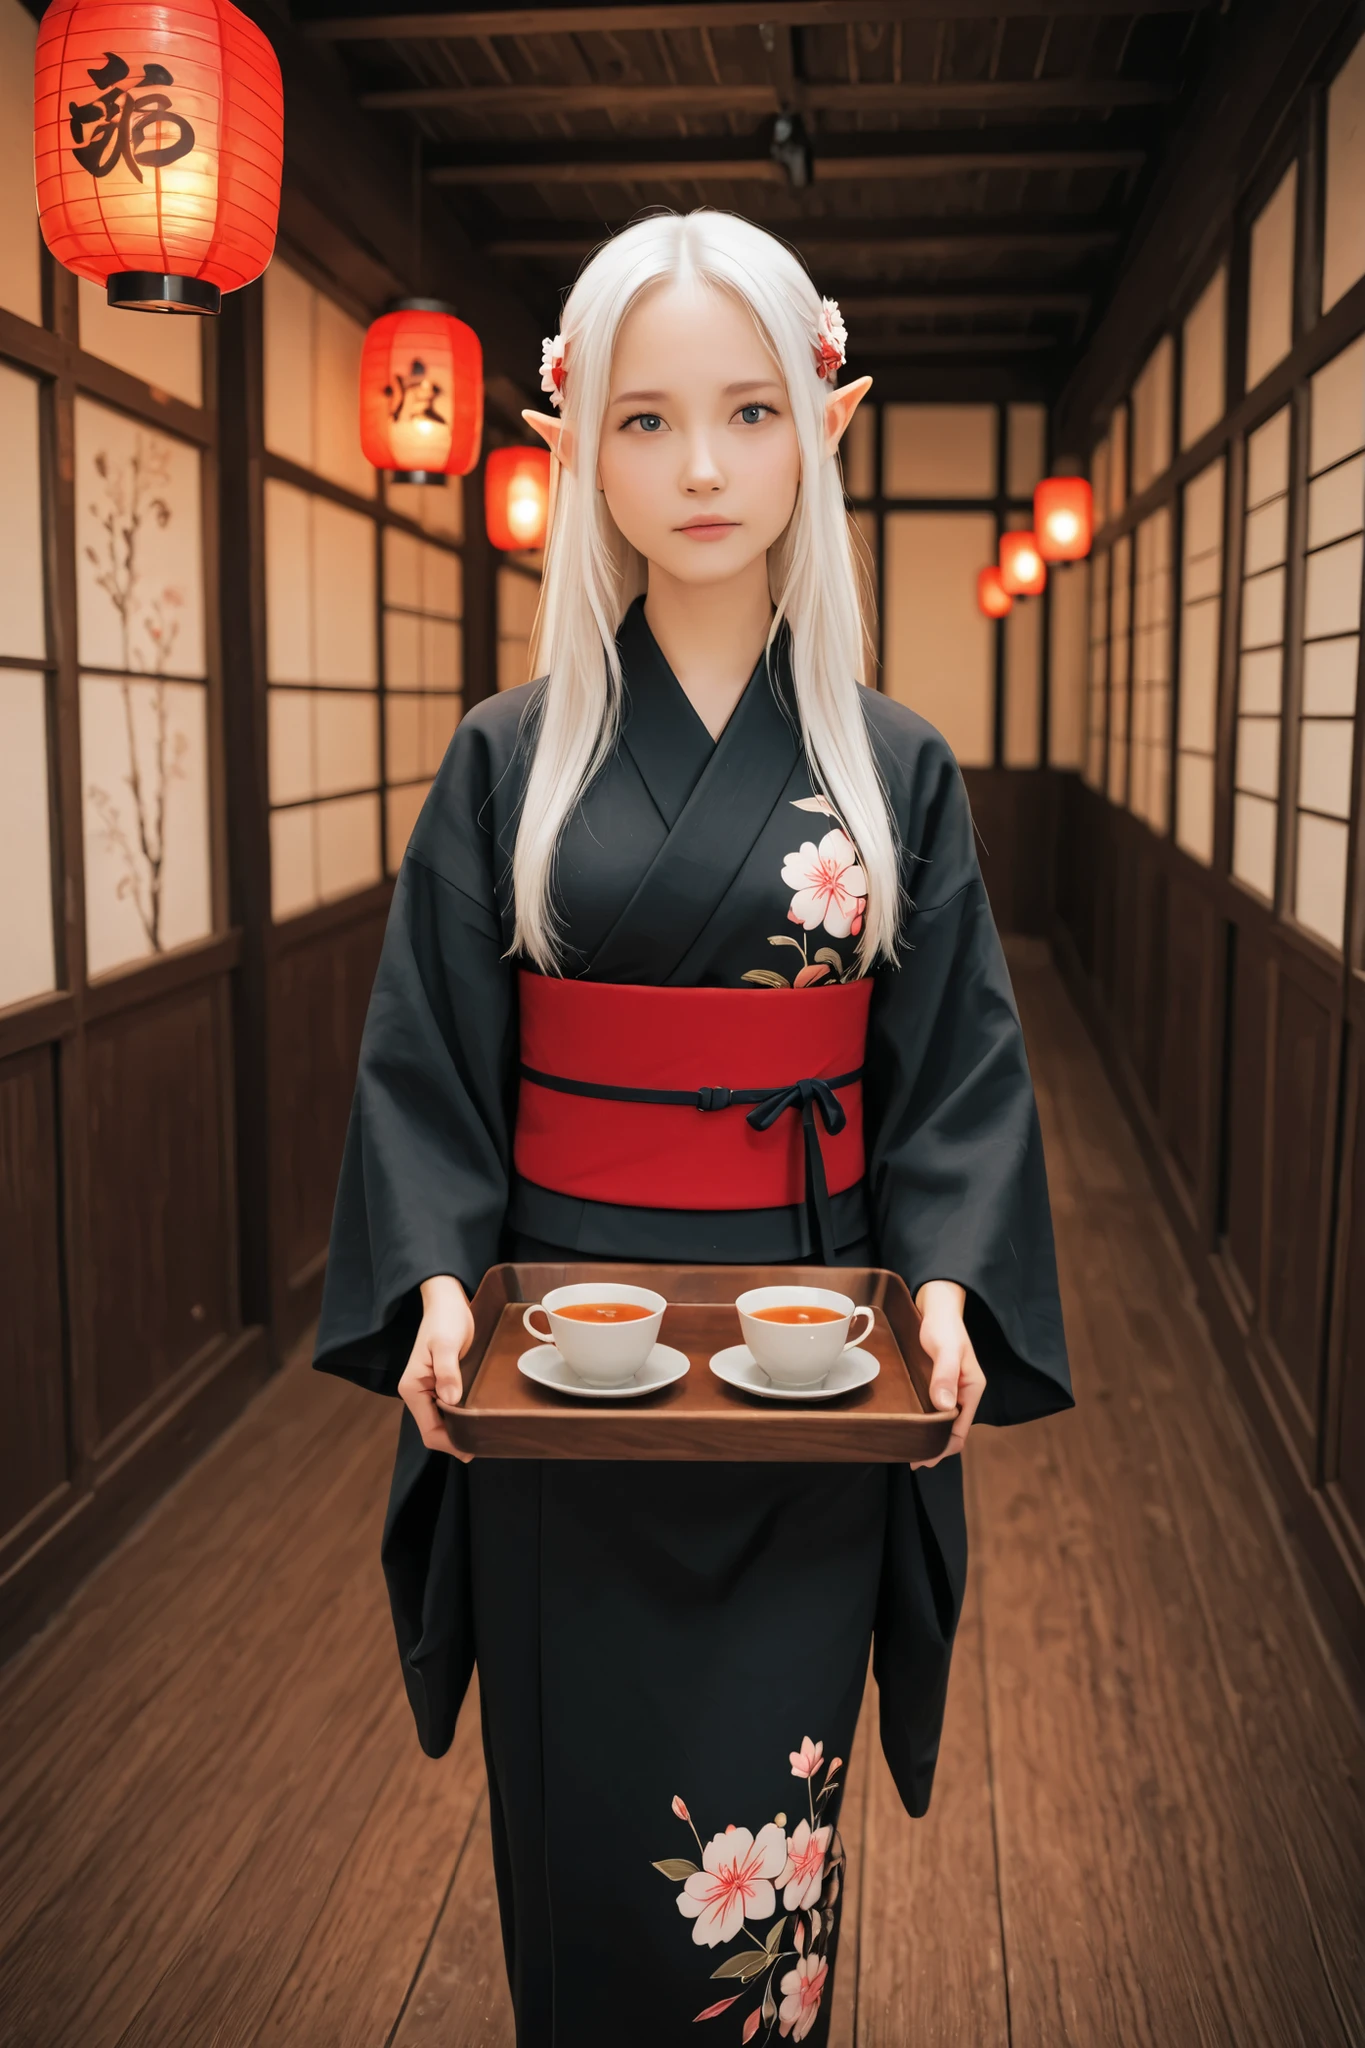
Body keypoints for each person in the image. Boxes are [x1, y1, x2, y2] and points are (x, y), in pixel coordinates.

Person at [314, 209, 1071, 2048]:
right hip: (569, 1372)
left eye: (749, 411)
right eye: (646, 422)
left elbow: (957, 1069)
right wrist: (431, 1280)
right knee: (587, 1842)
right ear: (577, 445)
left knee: (762, 1875)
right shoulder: (513, 757)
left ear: (831, 420)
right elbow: (428, 1058)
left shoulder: (896, 773)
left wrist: (952, 1289)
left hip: (811, 1364)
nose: (706, 467)